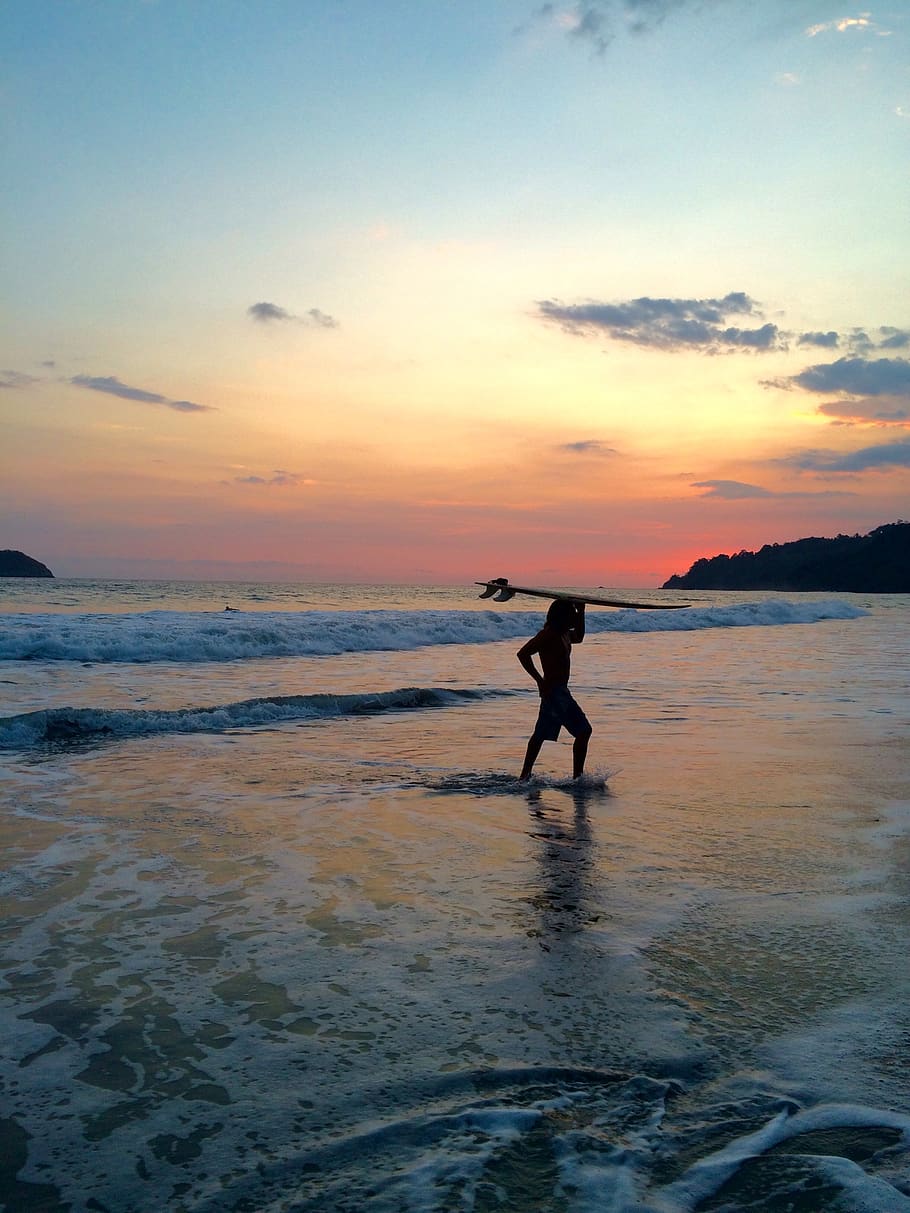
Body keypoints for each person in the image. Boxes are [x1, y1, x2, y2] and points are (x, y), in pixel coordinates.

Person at [517, 598, 592, 780]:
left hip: (556, 692)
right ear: (562, 616)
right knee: (583, 731)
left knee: (540, 734)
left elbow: (579, 637)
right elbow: (523, 653)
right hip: (556, 692)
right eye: (572, 614)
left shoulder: (564, 633)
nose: (574, 617)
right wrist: (539, 680)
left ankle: (524, 776)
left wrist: (581, 611)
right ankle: (578, 778)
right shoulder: (548, 634)